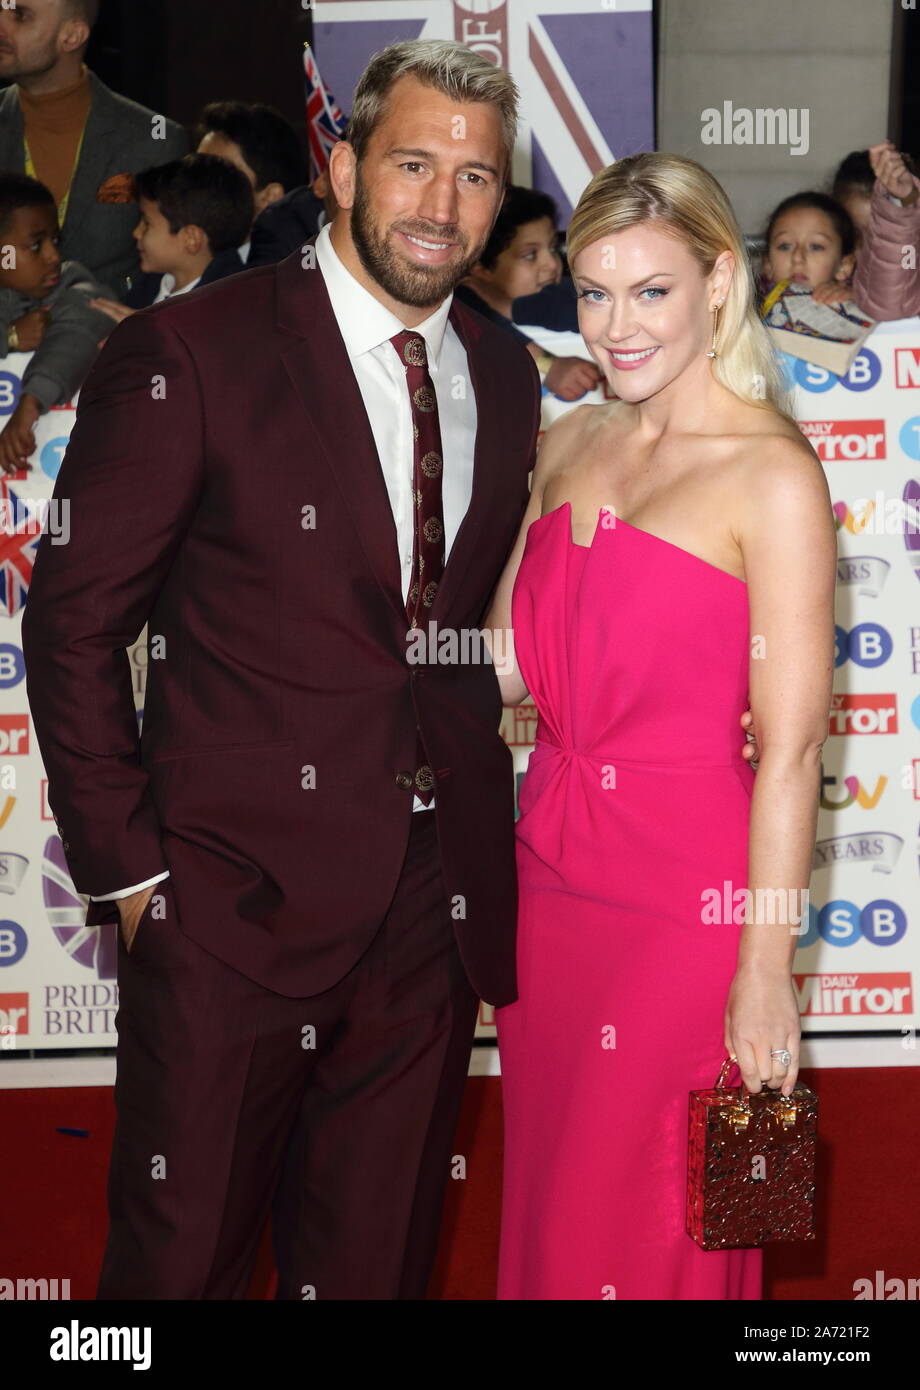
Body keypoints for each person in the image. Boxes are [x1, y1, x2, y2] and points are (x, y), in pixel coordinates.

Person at [21, 37, 542, 1302]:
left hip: (428, 911)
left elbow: (446, 631)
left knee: (373, 1268)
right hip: (225, 906)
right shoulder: (193, 352)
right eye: (413, 164)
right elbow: (73, 626)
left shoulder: (502, 368)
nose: (442, 204)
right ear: (344, 161)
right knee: (174, 1274)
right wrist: (138, 879)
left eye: (474, 179)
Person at [483, 151, 836, 1300]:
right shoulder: (564, 446)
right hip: (548, 889)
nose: (615, 326)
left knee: (655, 1223)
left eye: (650, 292)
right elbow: (493, 667)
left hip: (691, 907)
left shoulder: (770, 476)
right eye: (592, 293)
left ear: (717, 283)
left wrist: (764, 966)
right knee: (551, 1198)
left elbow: (788, 751)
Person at [0, 0, 188, 299]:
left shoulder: (156, 140)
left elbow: (177, 271)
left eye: (19, 15)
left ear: (72, 36)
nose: (2, 25)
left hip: (109, 338)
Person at [0, 171, 117, 474]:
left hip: (44, 502)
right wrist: (9, 337)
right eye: (36, 244)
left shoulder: (74, 288)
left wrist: (30, 404)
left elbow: (78, 328)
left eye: (55, 239)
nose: (53, 255)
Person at [455, 184, 601, 400]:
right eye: (530, 255)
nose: (551, 263)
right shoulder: (461, 308)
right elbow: (472, 319)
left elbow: (582, 306)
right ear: (479, 267)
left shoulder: (573, 295)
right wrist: (549, 365)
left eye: (553, 248)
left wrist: (508, 308)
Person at [195, 100, 309, 263]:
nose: (193, 184)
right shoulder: (162, 271)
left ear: (270, 198)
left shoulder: (286, 278)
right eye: (194, 170)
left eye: (218, 175)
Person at [758, 191, 857, 307]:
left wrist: (855, 300)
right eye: (785, 246)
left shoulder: (855, 302)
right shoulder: (747, 311)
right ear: (768, 265)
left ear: (844, 266)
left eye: (815, 247)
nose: (797, 257)